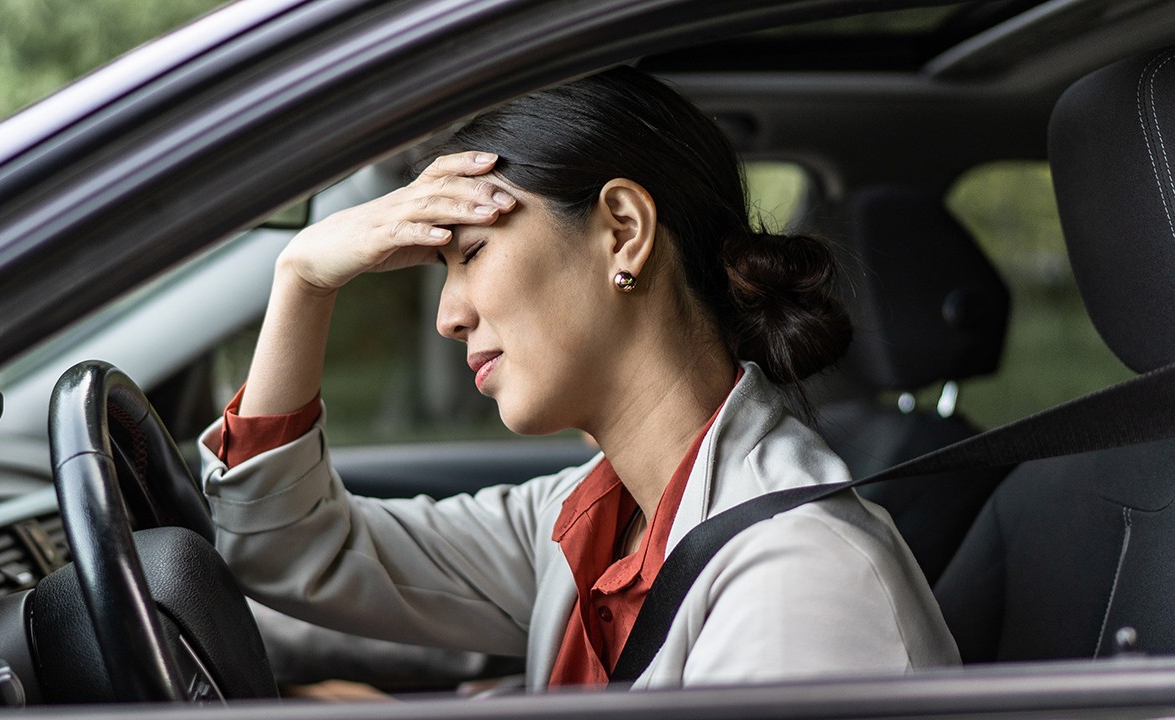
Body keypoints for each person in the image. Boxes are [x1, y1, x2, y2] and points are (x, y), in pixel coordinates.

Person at [199, 66, 959, 691]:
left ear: (623, 232)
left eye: (468, 254)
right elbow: (288, 549)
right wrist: (302, 278)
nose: (449, 316)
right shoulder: (585, 520)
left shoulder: (803, 578)